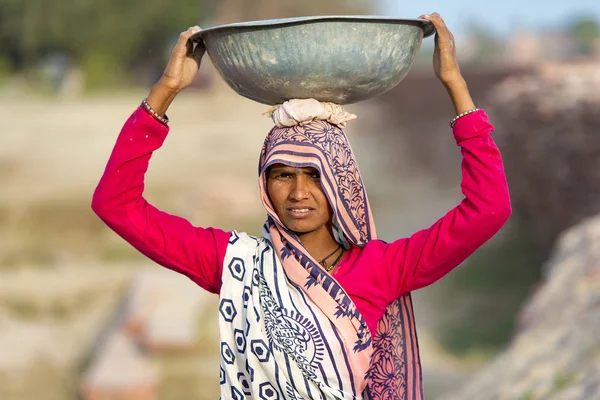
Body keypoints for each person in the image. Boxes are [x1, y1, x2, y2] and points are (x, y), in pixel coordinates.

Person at [92, 13, 511, 400]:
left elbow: (489, 209)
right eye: (282, 174)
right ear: (264, 183)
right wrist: (164, 93)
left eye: (315, 175)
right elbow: (116, 204)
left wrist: (455, 85)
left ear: (341, 183)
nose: (298, 193)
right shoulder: (235, 265)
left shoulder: (381, 267)